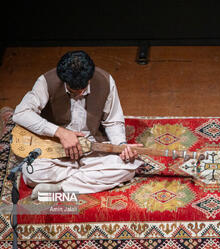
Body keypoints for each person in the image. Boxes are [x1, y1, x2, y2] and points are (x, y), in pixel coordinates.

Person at [13, 50, 143, 199]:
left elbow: (113, 120)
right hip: (54, 147)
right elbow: (20, 113)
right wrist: (60, 132)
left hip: (91, 146)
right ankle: (86, 179)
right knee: (32, 173)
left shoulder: (105, 80)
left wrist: (120, 144)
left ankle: (59, 188)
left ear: (90, 77)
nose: (80, 94)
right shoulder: (46, 81)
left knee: (127, 168)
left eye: (83, 89)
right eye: (73, 91)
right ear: (64, 80)